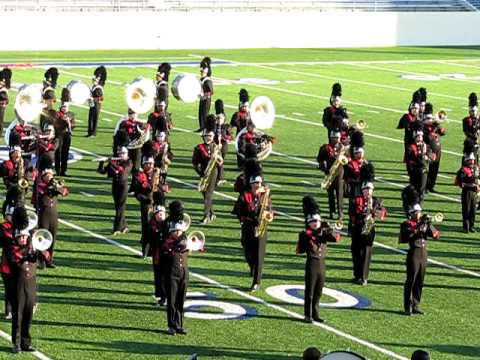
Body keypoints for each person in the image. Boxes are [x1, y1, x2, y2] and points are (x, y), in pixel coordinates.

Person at [7, 207, 49, 353]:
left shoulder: (32, 248)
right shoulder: (12, 248)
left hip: (31, 286)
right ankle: (16, 344)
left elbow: (46, 258)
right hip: (17, 286)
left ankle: (26, 342)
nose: (23, 239)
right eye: (21, 237)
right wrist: (30, 250)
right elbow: (15, 258)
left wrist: (41, 250)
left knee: (28, 314)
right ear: (16, 237)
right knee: (17, 315)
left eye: (25, 237)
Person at [296, 196, 340, 323]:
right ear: (309, 222)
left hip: (322, 264)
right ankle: (307, 314)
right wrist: (319, 231)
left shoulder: (324, 232)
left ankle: (316, 313)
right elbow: (301, 249)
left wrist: (330, 228)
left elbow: (335, 238)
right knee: (309, 291)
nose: (316, 223)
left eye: (318, 221)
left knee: (319, 291)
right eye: (313, 221)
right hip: (312, 264)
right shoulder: (305, 234)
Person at [233, 172, 272, 291]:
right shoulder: (245, 196)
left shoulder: (265, 196)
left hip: (261, 228)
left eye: (259, 183)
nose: (258, 185)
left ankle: (256, 281)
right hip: (249, 228)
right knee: (248, 253)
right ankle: (253, 267)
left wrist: (269, 214)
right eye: (255, 183)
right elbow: (239, 212)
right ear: (251, 184)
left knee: (259, 255)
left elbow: (270, 210)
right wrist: (248, 219)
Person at [400, 204, 440, 316]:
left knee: (420, 281)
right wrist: (419, 226)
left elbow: (436, 235)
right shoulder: (406, 224)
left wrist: (429, 225)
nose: (419, 214)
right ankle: (407, 307)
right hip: (414, 253)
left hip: (424, 253)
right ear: (412, 213)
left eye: (420, 212)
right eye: (417, 212)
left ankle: (416, 305)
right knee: (411, 280)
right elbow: (408, 235)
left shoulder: (424, 223)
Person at [32, 156, 69, 268]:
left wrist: (59, 187)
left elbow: (66, 192)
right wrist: (52, 187)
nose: (51, 177)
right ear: (43, 175)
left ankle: (49, 259)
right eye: (48, 175)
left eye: (51, 175)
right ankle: (40, 259)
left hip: (53, 214)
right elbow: (43, 192)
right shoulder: (39, 184)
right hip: (43, 213)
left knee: (52, 236)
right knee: (42, 235)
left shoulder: (54, 183)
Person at [349, 181, 385, 286]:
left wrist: (374, 212)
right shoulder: (356, 200)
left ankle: (364, 277)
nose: (368, 191)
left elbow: (382, 216)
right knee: (355, 252)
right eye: (366, 189)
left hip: (369, 229)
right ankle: (357, 275)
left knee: (366, 253)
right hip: (357, 227)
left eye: (370, 189)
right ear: (362, 190)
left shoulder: (376, 201)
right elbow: (352, 213)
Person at [162, 200, 189, 335]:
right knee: (172, 301)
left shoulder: (184, 239)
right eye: (176, 231)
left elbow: (193, 245)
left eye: (180, 231)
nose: (178, 233)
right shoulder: (168, 242)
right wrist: (180, 242)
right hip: (171, 273)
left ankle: (179, 324)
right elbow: (167, 248)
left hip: (184, 272)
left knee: (180, 300)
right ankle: (171, 325)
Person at [97, 147, 132, 235]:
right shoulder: (115, 162)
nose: (121, 155)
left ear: (127, 154)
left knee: (120, 207)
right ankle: (125, 226)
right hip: (115, 185)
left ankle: (117, 228)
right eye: (120, 153)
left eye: (123, 153)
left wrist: (111, 162)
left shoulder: (129, 162)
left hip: (123, 186)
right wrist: (101, 162)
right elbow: (102, 171)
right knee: (118, 207)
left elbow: (122, 171)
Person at [192, 125, 222, 224]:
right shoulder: (199, 148)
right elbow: (195, 163)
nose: (208, 137)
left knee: (208, 194)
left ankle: (206, 216)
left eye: (210, 136)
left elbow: (221, 162)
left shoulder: (216, 147)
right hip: (204, 173)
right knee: (205, 194)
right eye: (207, 136)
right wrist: (200, 173)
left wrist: (220, 176)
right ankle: (212, 213)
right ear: (203, 136)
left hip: (213, 172)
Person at [317, 131, 344, 219]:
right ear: (331, 138)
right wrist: (323, 165)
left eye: (338, 138)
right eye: (335, 138)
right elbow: (319, 159)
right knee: (331, 195)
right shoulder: (325, 148)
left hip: (340, 174)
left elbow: (348, 160)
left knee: (339, 194)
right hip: (329, 173)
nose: (337, 140)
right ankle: (332, 212)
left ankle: (340, 213)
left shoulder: (343, 148)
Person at [423, 106, 446, 193]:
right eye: (428, 118)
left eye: (431, 118)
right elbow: (427, 138)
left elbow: (443, 132)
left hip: (437, 149)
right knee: (426, 169)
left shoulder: (435, 125)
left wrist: (438, 125)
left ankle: (431, 186)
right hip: (429, 150)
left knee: (434, 169)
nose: (430, 120)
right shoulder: (423, 127)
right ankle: (424, 186)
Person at [147, 204, 167, 306]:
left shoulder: (167, 224)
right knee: (159, 276)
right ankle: (162, 297)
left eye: (162, 213)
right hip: (158, 255)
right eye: (158, 214)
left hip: (168, 255)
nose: (160, 216)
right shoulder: (152, 224)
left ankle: (166, 296)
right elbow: (153, 236)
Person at [54, 89, 76, 176]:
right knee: (58, 153)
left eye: (66, 107)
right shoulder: (57, 114)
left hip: (67, 135)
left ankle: (64, 170)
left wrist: (69, 122)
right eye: (63, 107)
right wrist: (61, 120)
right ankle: (57, 170)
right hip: (59, 135)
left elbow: (74, 126)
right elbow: (55, 124)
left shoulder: (71, 114)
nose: (64, 108)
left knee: (65, 153)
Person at [455, 152, 479, 233]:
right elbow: (460, 183)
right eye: (470, 160)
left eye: (473, 160)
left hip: (474, 193)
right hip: (467, 192)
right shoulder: (463, 170)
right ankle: (466, 227)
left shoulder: (476, 168)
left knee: (473, 210)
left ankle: (471, 226)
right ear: (467, 161)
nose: (472, 162)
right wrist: (472, 185)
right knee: (466, 210)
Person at [406, 130, 431, 201]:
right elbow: (409, 160)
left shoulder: (426, 146)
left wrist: (428, 156)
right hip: (414, 170)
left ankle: (418, 204)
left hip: (423, 170)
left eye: (421, 136)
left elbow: (431, 157)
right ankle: (412, 203)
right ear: (415, 137)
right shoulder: (411, 147)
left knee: (421, 189)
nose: (420, 138)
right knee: (414, 188)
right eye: (418, 136)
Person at [0, 205, 15, 320]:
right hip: (7, 263)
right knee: (9, 288)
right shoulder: (3, 227)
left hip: (21, 263)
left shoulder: (23, 227)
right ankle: (8, 311)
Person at [214, 99, 232, 184]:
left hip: (223, 146)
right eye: (217, 118)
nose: (219, 120)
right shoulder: (214, 126)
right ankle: (220, 178)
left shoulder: (226, 126)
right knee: (218, 161)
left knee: (220, 161)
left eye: (220, 118)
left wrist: (224, 137)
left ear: (224, 119)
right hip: (215, 145)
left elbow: (230, 137)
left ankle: (219, 177)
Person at [87, 66, 106, 137]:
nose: (93, 81)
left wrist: (92, 99)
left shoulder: (98, 88)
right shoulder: (93, 86)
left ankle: (93, 133)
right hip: (92, 104)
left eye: (94, 80)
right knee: (90, 118)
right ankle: (89, 132)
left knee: (95, 118)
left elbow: (101, 99)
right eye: (93, 80)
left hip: (97, 105)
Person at [197, 57, 213, 132]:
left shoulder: (207, 81)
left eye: (202, 71)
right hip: (202, 98)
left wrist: (204, 96)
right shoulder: (202, 79)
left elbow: (210, 92)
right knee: (200, 113)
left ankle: (205, 127)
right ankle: (201, 126)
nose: (201, 72)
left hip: (206, 99)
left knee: (204, 114)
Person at [463, 93, 479, 162]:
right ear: (469, 111)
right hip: (469, 142)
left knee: (476, 156)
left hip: (477, 141)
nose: (474, 112)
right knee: (467, 157)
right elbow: (465, 131)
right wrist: (473, 137)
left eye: (475, 111)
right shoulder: (466, 120)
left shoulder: (478, 119)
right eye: (472, 111)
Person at [0, 68, 12, 133]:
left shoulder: (3, 88)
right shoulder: (6, 84)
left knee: (0, 119)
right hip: (3, 102)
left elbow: (5, 98)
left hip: (2, 102)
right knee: (1, 119)